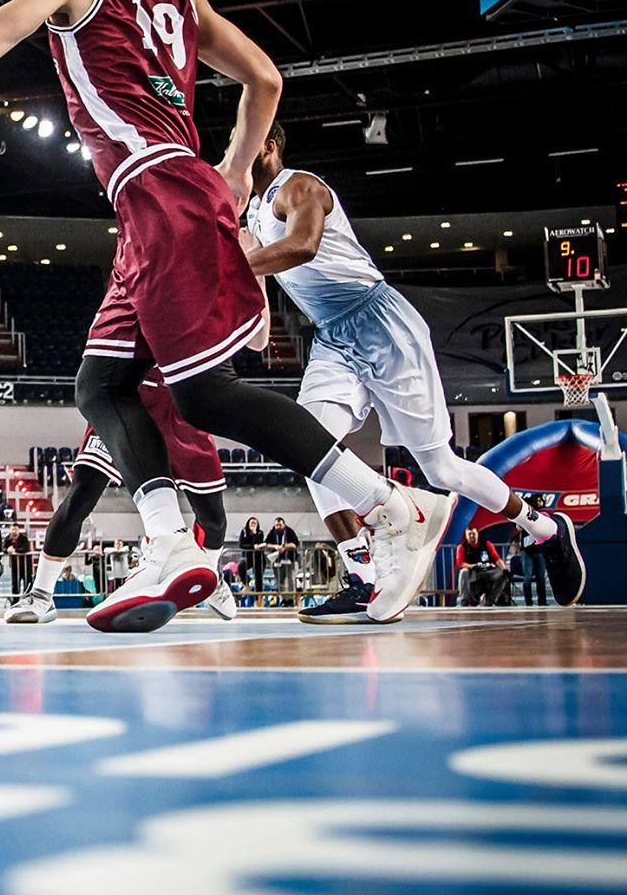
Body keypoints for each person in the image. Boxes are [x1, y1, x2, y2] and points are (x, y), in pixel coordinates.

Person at [0, 0, 448, 630]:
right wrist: (233, 168)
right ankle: (171, 540)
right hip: (159, 200)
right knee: (100, 385)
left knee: (204, 395)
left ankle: (394, 507)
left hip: (160, 193)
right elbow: (264, 78)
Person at [243, 122, 583, 618]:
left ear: (269, 145)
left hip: (380, 321)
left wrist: (228, 265)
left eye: (244, 140)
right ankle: (361, 577)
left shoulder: (299, 186)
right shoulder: (251, 210)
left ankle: (543, 526)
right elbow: (253, 270)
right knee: (308, 447)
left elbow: (303, 246)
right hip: (333, 337)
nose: (234, 150)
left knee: (440, 468)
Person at [8, 373, 236, 624]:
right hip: (128, 396)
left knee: (213, 517)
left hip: (181, 400)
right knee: (81, 495)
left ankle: (210, 575)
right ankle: (41, 594)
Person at [456, 527, 510, 607]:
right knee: (464, 571)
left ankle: (490, 601)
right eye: (469, 534)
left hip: (488, 571)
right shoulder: (462, 547)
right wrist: (472, 566)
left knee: (503, 575)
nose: (471, 536)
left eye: (473, 534)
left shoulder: (486, 544)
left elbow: (497, 559)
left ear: (477, 534)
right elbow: (460, 563)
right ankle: (464, 600)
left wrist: (504, 569)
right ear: (466, 536)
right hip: (473, 572)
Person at [264, 516, 301, 592]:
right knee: (280, 582)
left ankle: (291, 600)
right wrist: (275, 546)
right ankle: (284, 599)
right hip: (277, 561)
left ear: (284, 525)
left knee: (290, 580)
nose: (278, 527)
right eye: (276, 525)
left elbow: (294, 545)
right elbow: (266, 544)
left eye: (280, 525)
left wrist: (284, 547)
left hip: (290, 560)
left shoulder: (290, 531)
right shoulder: (273, 532)